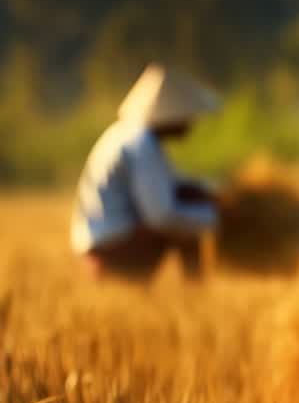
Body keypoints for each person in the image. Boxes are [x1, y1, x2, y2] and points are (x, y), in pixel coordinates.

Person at [70, 63, 222, 281]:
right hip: (115, 243)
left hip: (103, 240)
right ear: (170, 114)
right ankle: (196, 300)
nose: (190, 124)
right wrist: (216, 219)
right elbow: (161, 215)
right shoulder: (142, 144)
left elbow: (168, 186)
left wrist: (210, 194)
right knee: (187, 235)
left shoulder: (127, 135)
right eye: (186, 116)